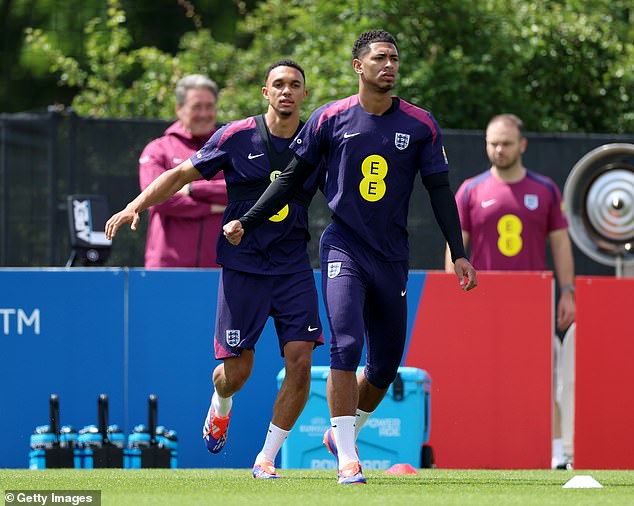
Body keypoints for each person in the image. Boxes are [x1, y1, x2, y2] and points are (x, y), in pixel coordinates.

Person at [223, 30, 478, 484]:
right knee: (345, 344)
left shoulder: (420, 124)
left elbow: (440, 192)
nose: (390, 66)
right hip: (342, 246)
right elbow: (289, 179)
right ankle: (347, 459)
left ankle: (343, 431)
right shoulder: (329, 118)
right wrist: (250, 220)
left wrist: (459, 253)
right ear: (358, 66)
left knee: (384, 368)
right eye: (380, 58)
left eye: (395, 58)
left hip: (392, 255)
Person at [105, 59, 325, 479]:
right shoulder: (237, 135)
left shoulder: (315, 141)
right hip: (243, 267)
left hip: (293, 265)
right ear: (265, 92)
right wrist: (136, 205)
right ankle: (220, 406)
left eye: (294, 85)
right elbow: (179, 174)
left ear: (304, 94)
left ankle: (266, 458)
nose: (286, 91)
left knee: (300, 362)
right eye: (277, 84)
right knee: (235, 374)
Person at [444, 113, 576, 469]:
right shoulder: (470, 189)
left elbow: (561, 245)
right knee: (480, 376)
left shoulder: (545, 188)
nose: (498, 149)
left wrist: (568, 291)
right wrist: (452, 294)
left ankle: (556, 454)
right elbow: (455, 248)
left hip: (532, 301)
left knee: (542, 377)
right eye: (492, 143)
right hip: (482, 300)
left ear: (522, 145)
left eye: (505, 143)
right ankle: (475, 448)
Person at [139, 74, 227, 267]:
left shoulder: (229, 149)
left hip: (222, 268)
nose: (204, 114)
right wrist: (212, 207)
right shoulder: (158, 150)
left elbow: (243, 190)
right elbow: (157, 199)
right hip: (166, 268)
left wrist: (192, 189)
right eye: (196, 107)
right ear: (179, 109)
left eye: (209, 106)